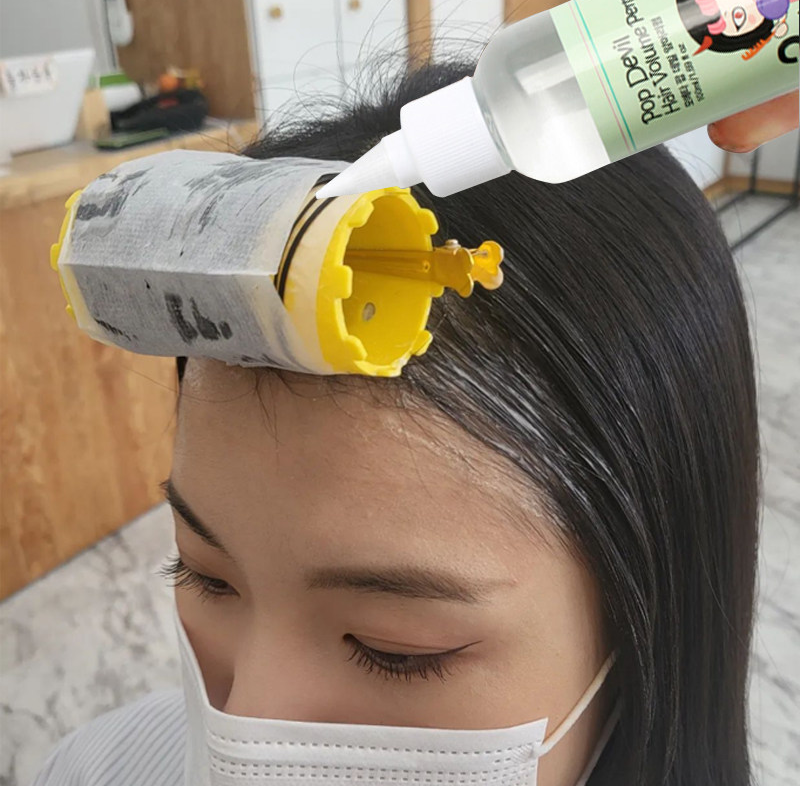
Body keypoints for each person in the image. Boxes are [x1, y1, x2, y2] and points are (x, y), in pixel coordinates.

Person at [31, 57, 760, 786]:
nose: (247, 722)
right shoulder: (92, 770)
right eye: (205, 576)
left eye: (396, 651)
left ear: (654, 613)